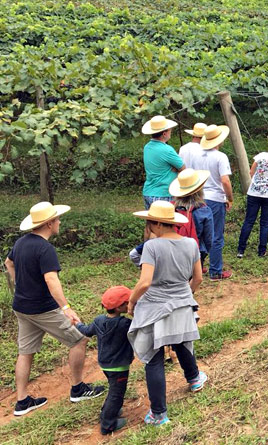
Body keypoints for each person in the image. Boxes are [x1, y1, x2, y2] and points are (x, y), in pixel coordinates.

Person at [6, 202, 105, 417]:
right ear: (49, 224)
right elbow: (51, 279)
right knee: (79, 339)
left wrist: (20, 285)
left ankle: (22, 401)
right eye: (57, 219)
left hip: (22, 307)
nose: (60, 222)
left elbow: (8, 263)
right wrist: (66, 307)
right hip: (43, 308)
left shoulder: (21, 243)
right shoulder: (45, 249)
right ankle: (78, 388)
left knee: (25, 352)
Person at [128, 201, 207, 427]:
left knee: (154, 357)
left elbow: (145, 282)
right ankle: (194, 379)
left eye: (149, 222)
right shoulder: (191, 244)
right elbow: (198, 278)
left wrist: (132, 301)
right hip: (182, 302)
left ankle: (159, 414)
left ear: (157, 224)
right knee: (181, 341)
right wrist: (184, 296)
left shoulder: (152, 247)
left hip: (155, 306)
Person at [76, 286, 134, 435]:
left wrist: (77, 324)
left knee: (113, 388)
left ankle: (109, 410)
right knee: (117, 393)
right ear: (120, 307)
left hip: (105, 364)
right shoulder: (125, 324)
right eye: (128, 302)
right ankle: (108, 424)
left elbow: (86, 331)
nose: (130, 303)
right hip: (119, 366)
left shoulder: (98, 320)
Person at [189, 124, 234, 281]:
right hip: (215, 199)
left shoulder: (196, 155)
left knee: (199, 234)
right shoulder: (220, 157)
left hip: (199, 198)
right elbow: (225, 180)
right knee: (216, 235)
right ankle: (215, 270)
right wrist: (229, 198)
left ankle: (198, 268)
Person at [169, 168, 214, 271]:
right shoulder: (204, 210)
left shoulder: (170, 208)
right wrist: (205, 252)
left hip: (171, 251)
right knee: (193, 282)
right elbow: (208, 237)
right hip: (195, 251)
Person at [141, 115, 185, 210]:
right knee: (165, 224)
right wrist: (175, 169)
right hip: (163, 194)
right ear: (164, 134)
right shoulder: (167, 150)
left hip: (148, 192)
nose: (171, 133)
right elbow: (183, 168)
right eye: (170, 131)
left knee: (151, 224)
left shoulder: (147, 147)